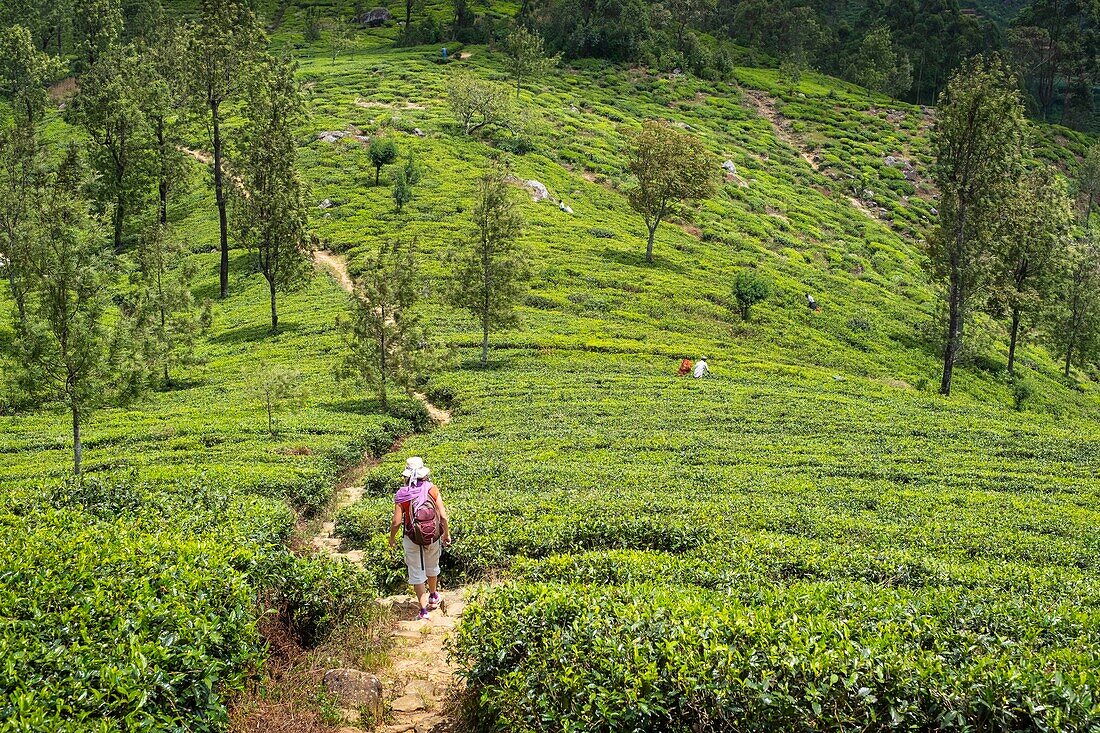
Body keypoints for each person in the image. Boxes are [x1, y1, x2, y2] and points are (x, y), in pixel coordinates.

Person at [389, 457, 452, 620]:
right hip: (433, 535)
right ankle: (433, 596)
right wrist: (446, 534)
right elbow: (443, 516)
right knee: (432, 565)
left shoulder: (402, 494)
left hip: (411, 537)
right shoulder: (432, 488)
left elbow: (396, 522)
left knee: (417, 571)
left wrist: (391, 539)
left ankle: (423, 611)